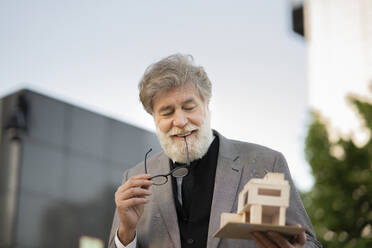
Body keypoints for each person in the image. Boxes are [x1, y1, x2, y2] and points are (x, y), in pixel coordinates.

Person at [108, 54, 322, 248]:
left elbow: (309, 244)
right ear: (154, 118)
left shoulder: (266, 163)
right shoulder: (133, 179)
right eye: (166, 112)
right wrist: (126, 232)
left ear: (207, 104)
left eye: (189, 108)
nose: (180, 121)